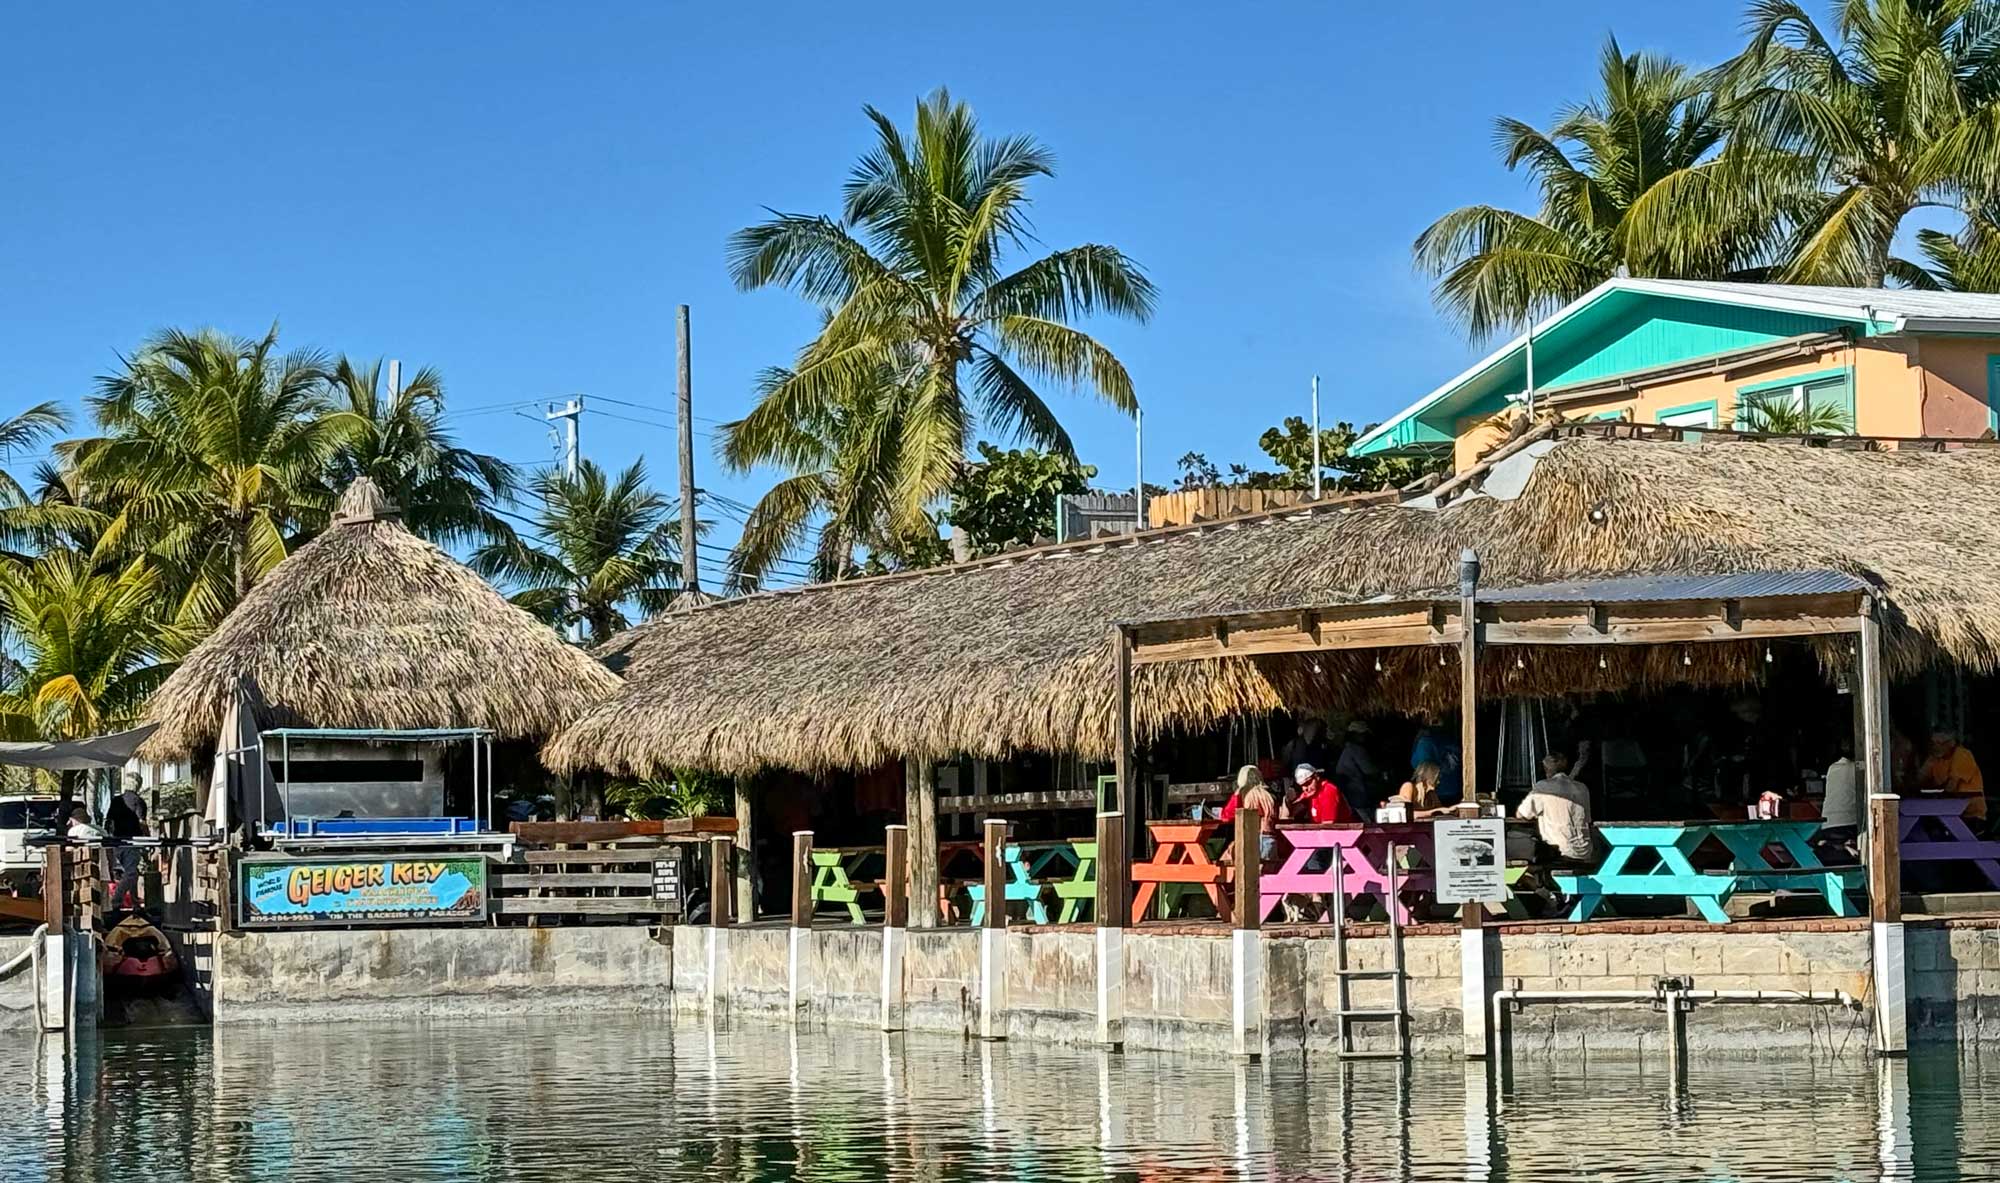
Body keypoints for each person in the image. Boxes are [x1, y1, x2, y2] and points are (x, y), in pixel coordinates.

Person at [1516, 752, 1594, 864]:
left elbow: (1522, 814)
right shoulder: (1582, 788)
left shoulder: (1543, 787)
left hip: (1559, 852)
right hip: (1584, 851)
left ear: (1546, 769)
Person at [1918, 730, 1986, 825]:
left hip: (1970, 815)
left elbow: (1951, 787)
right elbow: (1919, 780)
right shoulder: (1935, 758)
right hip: (1948, 812)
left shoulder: (1962, 755)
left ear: (1951, 743)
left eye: (1939, 743)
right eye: (1932, 743)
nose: (1935, 747)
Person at [1815, 740, 1860, 860]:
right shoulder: (1857, 769)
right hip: (1849, 824)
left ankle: (1843, 847)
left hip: (1828, 824)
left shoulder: (1832, 768)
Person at [105, 790, 148, 910]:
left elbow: (109, 822)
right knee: (131, 873)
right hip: (132, 842)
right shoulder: (138, 801)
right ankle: (116, 900)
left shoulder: (116, 800)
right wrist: (148, 840)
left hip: (117, 842)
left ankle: (134, 901)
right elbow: (142, 823)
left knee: (131, 873)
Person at [1334, 721, 1385, 815]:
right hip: (1357, 796)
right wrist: (1382, 770)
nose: (1365, 737)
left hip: (1349, 795)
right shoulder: (1356, 749)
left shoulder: (1347, 748)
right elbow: (1369, 770)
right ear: (1355, 735)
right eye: (1362, 734)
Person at [1409, 724, 1463, 806]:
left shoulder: (1432, 795)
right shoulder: (1409, 788)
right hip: (1448, 791)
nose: (1438, 781)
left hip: (1448, 791)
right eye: (1437, 778)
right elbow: (1406, 812)